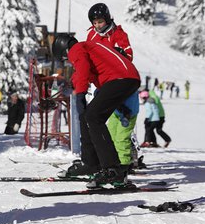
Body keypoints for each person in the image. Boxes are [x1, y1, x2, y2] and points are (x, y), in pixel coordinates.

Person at [52, 34, 141, 188]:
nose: (69, 61)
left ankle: (112, 169)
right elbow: (91, 73)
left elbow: (83, 68)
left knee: (93, 117)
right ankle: (91, 163)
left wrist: (80, 94)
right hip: (125, 79)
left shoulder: (77, 48)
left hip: (121, 79)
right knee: (88, 117)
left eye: (65, 58)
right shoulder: (89, 48)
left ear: (65, 49)